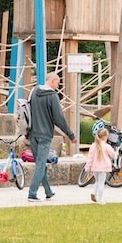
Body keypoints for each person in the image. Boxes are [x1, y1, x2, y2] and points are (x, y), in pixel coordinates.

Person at [27, 71, 74, 201]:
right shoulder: (53, 96)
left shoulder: (34, 91)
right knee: (41, 164)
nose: (58, 86)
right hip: (45, 135)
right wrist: (70, 134)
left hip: (33, 134)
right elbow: (59, 118)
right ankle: (32, 193)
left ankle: (48, 191)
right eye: (58, 83)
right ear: (52, 80)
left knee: (40, 163)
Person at [85, 120, 117, 205]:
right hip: (103, 168)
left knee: (97, 181)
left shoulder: (93, 146)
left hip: (95, 168)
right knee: (101, 184)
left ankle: (93, 192)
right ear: (105, 137)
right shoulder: (107, 146)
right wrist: (115, 153)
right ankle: (100, 199)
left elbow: (90, 158)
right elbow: (113, 155)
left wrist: (87, 167)